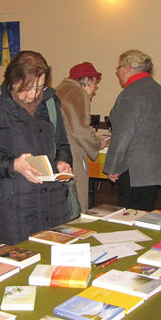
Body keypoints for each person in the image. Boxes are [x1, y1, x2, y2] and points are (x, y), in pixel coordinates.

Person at [0, 50, 73, 245]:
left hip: (53, 202)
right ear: (14, 80)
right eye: (28, 87)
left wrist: (63, 161)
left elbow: (62, 143)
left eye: (40, 87)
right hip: (13, 206)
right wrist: (13, 165)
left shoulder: (50, 102)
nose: (34, 94)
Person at [103, 50, 161, 211]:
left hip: (134, 168)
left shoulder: (131, 93)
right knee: (145, 213)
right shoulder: (160, 90)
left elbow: (123, 134)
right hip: (155, 165)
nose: (118, 72)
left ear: (127, 68)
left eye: (118, 67)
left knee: (129, 217)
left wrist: (113, 166)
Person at [55, 62, 107, 211]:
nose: (94, 91)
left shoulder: (59, 90)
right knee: (77, 201)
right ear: (87, 80)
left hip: (57, 153)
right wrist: (97, 143)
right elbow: (80, 130)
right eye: (95, 85)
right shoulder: (77, 93)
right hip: (72, 154)